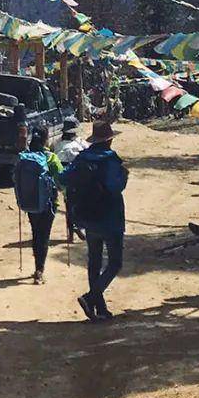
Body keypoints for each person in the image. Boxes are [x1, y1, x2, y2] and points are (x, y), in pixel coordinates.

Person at [60, 119, 128, 321]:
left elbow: (63, 178)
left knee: (94, 263)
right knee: (115, 263)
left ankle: (100, 308)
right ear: (109, 141)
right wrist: (124, 176)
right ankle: (91, 298)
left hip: (88, 218)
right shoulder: (111, 160)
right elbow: (116, 187)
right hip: (111, 218)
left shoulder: (82, 158)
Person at [13, 129, 60, 284]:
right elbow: (61, 180)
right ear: (46, 140)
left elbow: (15, 177)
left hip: (30, 202)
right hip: (49, 204)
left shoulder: (24, 158)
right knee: (44, 236)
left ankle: (37, 267)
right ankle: (39, 270)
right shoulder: (51, 158)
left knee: (35, 233)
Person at [56, 116, 87, 243]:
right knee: (81, 204)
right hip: (79, 178)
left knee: (68, 205)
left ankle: (70, 235)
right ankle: (79, 225)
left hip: (64, 180)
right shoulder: (80, 143)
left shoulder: (58, 144)